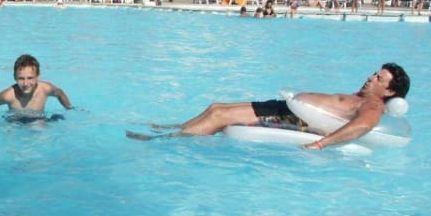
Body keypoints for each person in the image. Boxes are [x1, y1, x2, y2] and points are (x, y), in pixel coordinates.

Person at [150, 63, 409, 150]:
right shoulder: (361, 97)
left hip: (291, 118)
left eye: (379, 79)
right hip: (286, 108)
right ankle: (173, 129)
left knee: (219, 115)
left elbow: (363, 126)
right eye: (374, 73)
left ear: (389, 91)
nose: (370, 78)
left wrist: (321, 144)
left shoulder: (373, 105)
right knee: (216, 107)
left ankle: (165, 142)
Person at [0, 54, 73, 116]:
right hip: (15, 120)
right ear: (15, 77)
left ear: (37, 77)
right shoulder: (9, 95)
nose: (26, 83)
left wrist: (69, 108)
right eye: (21, 78)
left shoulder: (45, 89)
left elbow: (60, 93)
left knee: (40, 130)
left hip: (38, 119)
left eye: (30, 78)